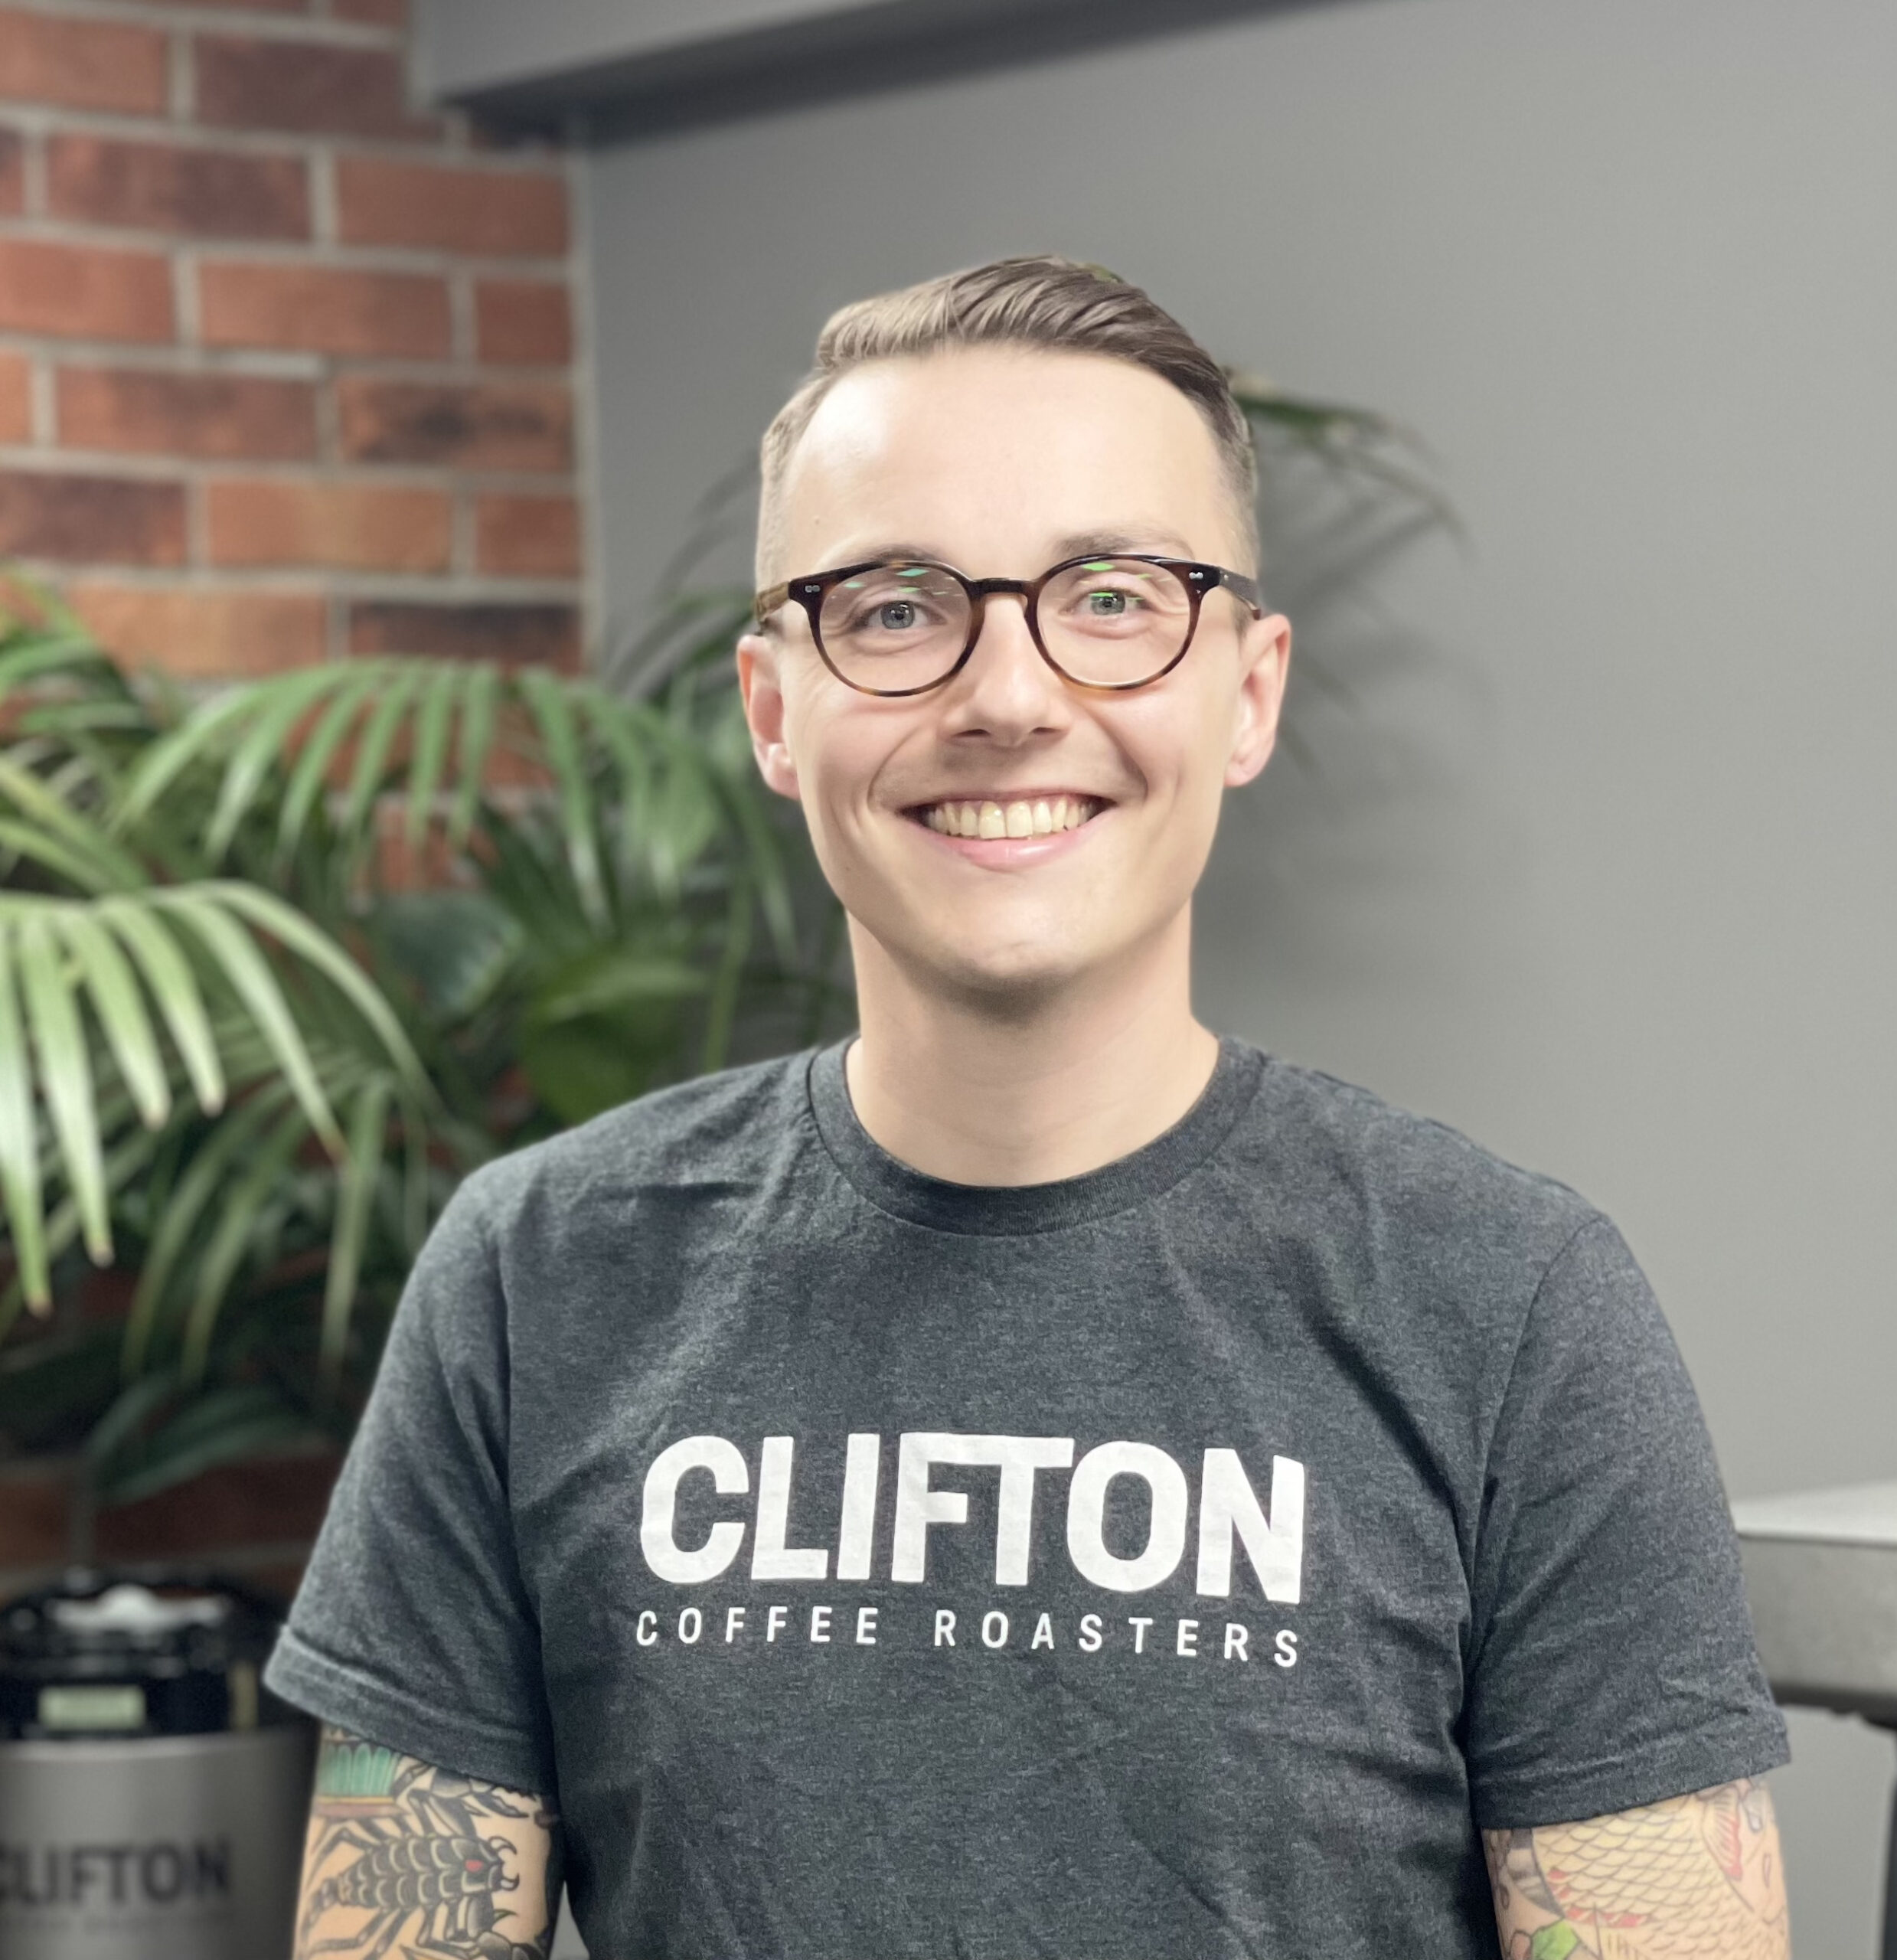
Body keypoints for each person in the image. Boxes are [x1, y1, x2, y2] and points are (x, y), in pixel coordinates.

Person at [270, 256, 1791, 1960]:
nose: (1005, 697)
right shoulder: (538, 1271)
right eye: (895, 607)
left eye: (1115, 596)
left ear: (1248, 691)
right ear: (774, 708)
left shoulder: (1510, 1302)